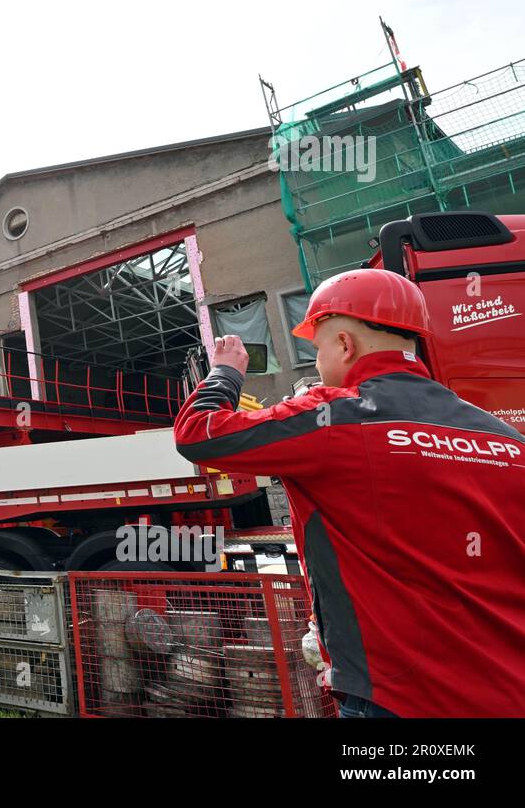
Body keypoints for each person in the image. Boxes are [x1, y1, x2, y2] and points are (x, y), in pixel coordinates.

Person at [173, 268, 525, 717]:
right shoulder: (503, 437)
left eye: (317, 349)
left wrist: (224, 373)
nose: (318, 364)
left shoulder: (336, 418)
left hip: (400, 697)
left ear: (345, 344)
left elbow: (198, 434)